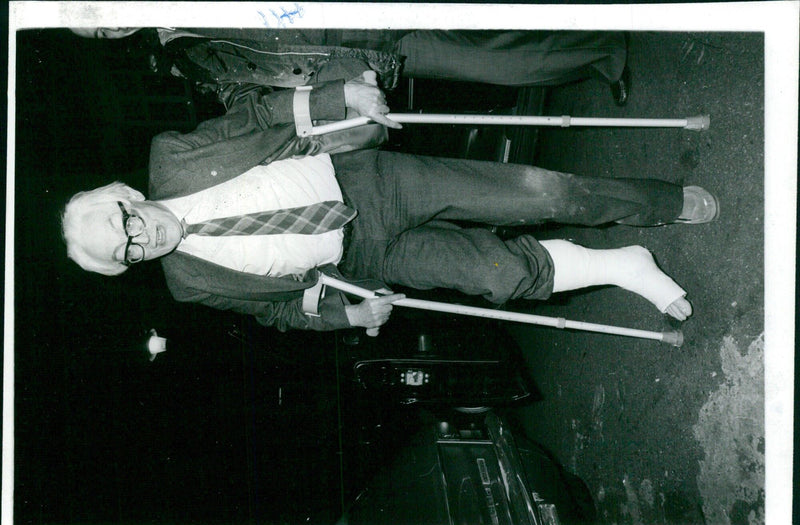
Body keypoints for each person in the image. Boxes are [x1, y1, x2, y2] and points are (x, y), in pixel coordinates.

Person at [61, 70, 718, 333]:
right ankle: (625, 264)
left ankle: (655, 202)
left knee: (538, 193)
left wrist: (337, 96)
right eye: (128, 250)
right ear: (134, 263)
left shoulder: (170, 157)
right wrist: (348, 316)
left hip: (367, 182)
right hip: (370, 258)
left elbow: (258, 116)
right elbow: (285, 311)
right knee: (504, 276)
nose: (139, 235)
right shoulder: (187, 283)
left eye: (125, 220)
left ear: (128, 196)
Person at [69, 27, 632, 105]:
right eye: (99, 31)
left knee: (490, 35)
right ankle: (603, 53)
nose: (110, 24)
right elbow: (247, 92)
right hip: (360, 51)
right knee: (488, 62)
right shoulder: (184, 60)